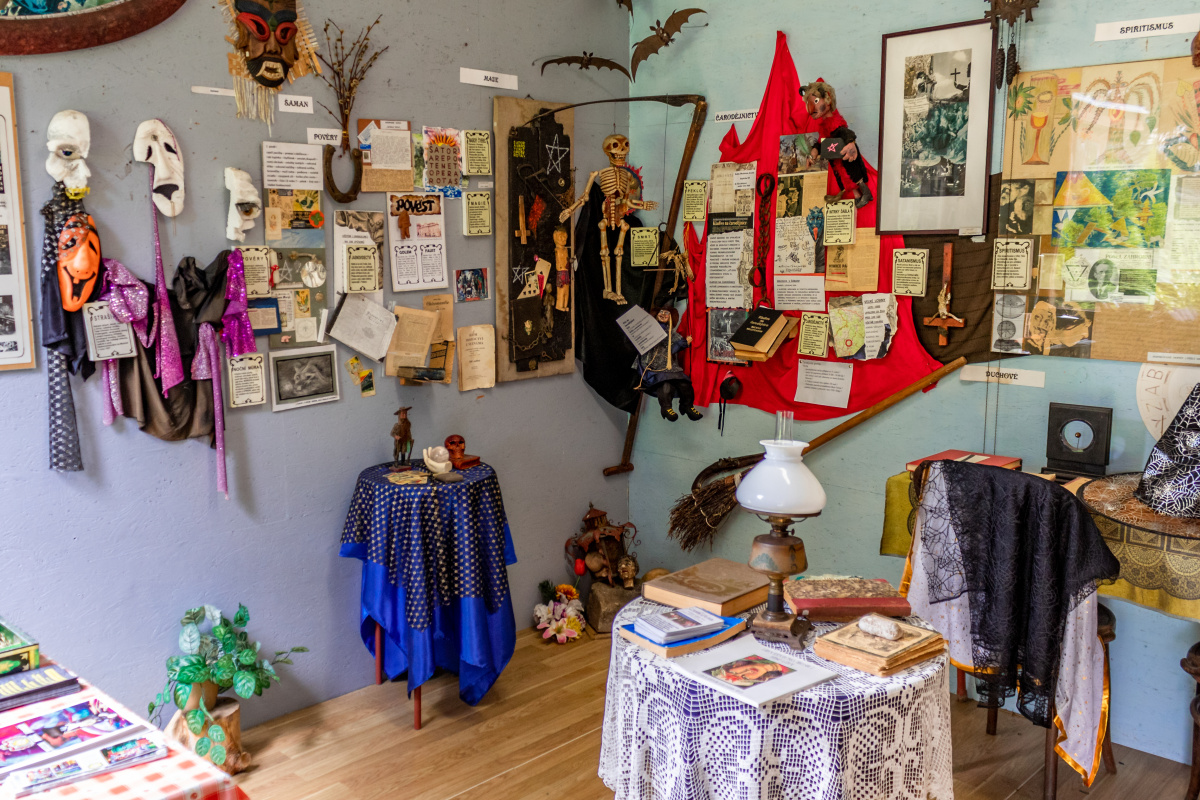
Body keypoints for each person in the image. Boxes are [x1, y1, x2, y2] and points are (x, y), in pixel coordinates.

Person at [802, 79, 873, 208]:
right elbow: (821, 143)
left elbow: (847, 133)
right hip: (837, 159)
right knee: (846, 180)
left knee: (856, 176)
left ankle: (866, 194)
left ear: (827, 99)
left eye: (816, 101)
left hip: (847, 156)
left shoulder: (836, 123)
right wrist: (814, 152)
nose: (811, 108)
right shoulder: (823, 128)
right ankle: (857, 197)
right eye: (809, 103)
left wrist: (851, 143)